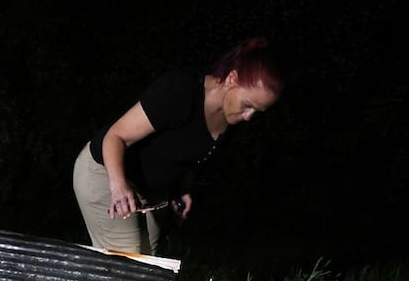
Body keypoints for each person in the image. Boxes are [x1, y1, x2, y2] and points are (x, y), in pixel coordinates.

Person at [73, 38, 284, 255]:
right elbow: (116, 136)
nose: (249, 117)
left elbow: (188, 154)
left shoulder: (229, 118)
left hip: (150, 192)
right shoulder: (180, 91)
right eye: (247, 105)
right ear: (232, 78)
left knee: (149, 265)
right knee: (127, 267)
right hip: (106, 173)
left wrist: (182, 189)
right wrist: (118, 187)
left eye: (257, 112)